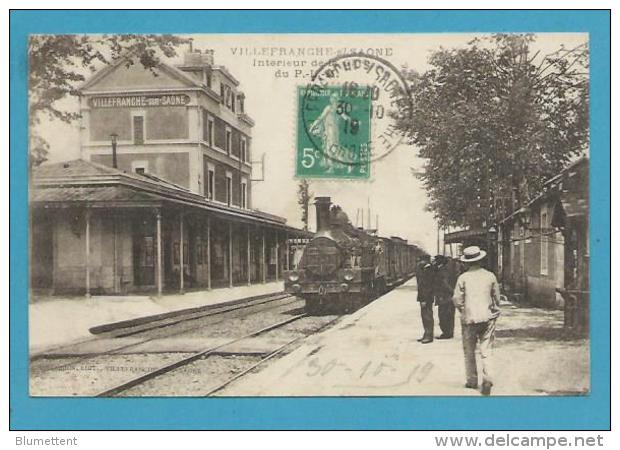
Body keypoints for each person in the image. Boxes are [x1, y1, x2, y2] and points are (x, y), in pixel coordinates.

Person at [453, 246, 501, 396]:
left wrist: (463, 310)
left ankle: (472, 380)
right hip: (487, 318)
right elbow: (497, 298)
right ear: (480, 260)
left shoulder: (463, 278)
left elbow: (456, 299)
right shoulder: (490, 276)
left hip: (469, 319)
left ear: (467, 262)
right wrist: (494, 309)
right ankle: (487, 379)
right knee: (486, 350)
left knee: (469, 351)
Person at [433, 255, 457, 339]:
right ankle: (449, 332)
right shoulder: (448, 268)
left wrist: (452, 292)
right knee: (449, 315)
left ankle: (447, 333)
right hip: (447, 296)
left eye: (436, 260)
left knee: (444, 315)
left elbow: (444, 283)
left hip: (444, 296)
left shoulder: (442, 270)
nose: (435, 262)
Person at [416, 255, 435, 344]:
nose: (419, 263)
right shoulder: (425, 269)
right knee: (425, 316)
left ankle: (428, 335)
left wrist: (424, 299)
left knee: (427, 316)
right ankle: (426, 334)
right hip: (424, 297)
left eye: (421, 261)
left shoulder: (428, 270)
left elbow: (426, 286)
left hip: (426, 297)